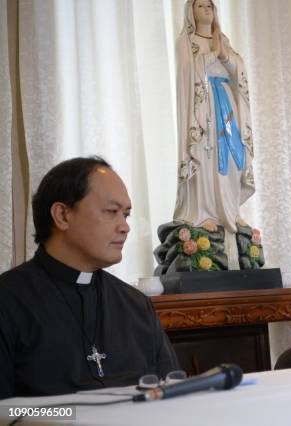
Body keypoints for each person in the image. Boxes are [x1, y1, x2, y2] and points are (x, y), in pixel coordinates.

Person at [0, 157, 179, 399]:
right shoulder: (8, 301)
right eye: (112, 212)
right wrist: (66, 417)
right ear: (62, 215)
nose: (125, 227)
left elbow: (173, 393)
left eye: (125, 215)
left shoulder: (136, 305)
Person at [173, 0, 255, 235]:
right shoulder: (186, 42)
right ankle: (204, 213)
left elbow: (237, 68)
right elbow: (188, 72)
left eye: (209, 5)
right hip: (203, 108)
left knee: (230, 157)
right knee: (206, 157)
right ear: (191, 12)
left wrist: (224, 56)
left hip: (226, 103)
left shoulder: (223, 39)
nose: (206, 9)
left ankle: (230, 210)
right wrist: (212, 56)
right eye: (200, 6)